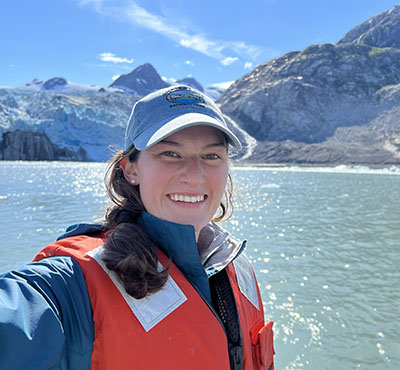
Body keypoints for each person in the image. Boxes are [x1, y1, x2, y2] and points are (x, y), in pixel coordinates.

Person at [0, 85, 274, 370]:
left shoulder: (236, 266)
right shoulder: (76, 286)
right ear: (131, 169)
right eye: (170, 153)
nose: (194, 176)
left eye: (211, 156)